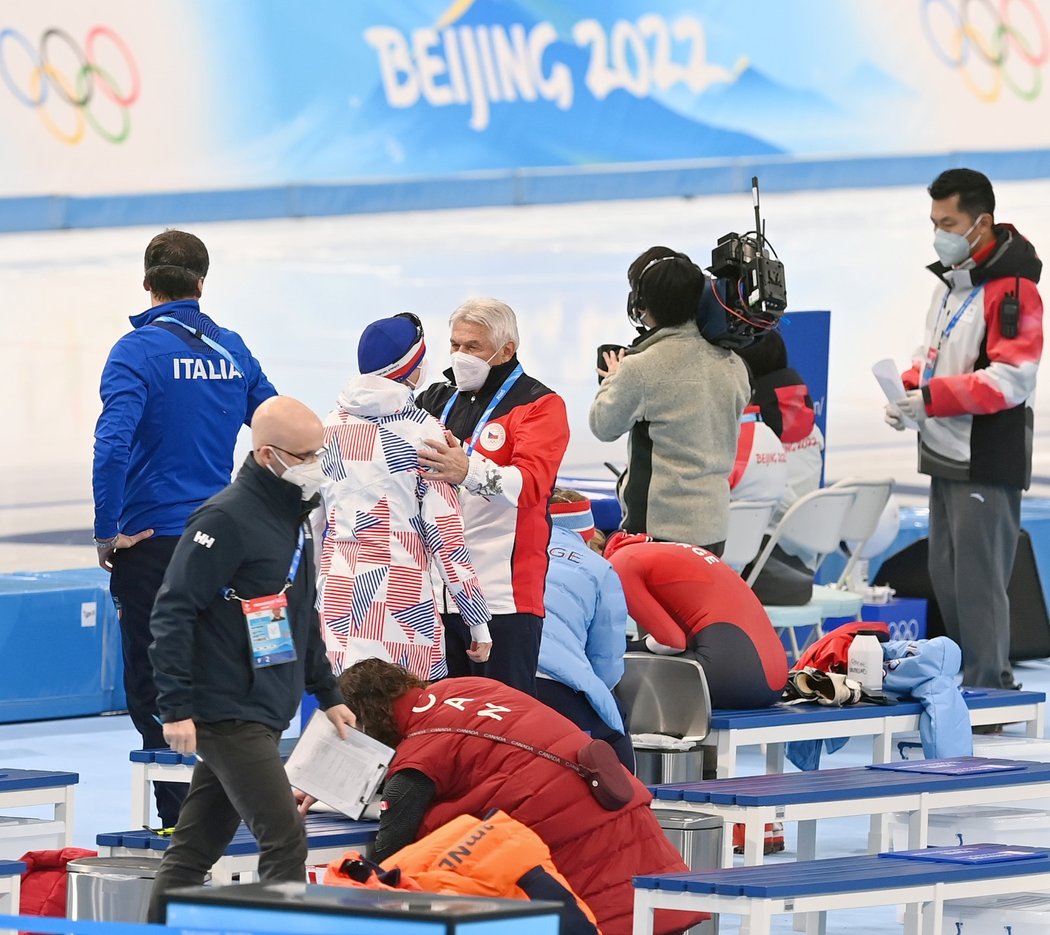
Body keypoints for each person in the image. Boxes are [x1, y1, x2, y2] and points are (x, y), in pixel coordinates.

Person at [146, 396, 356, 922]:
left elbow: (299, 614)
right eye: (305, 454)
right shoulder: (225, 518)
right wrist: (175, 707)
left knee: (194, 852)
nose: (317, 465)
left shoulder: (295, 516)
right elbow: (173, 611)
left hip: (264, 707)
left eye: (320, 452)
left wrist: (328, 694)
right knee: (285, 840)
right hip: (226, 711)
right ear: (267, 455)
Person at [92, 229, 276, 828]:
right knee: (229, 672)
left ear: (147, 282)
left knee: (157, 684)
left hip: (155, 543)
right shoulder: (232, 349)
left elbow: (112, 444)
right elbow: (276, 428)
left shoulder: (135, 351)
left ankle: (182, 820)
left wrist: (105, 530)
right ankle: (244, 812)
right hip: (224, 539)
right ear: (202, 282)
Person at [335, 659, 703, 935]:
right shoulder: (469, 687)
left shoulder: (418, 757)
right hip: (618, 808)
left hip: (574, 838)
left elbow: (389, 856)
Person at [885, 168, 1043, 689]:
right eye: (934, 222)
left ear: (982, 224)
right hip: (944, 447)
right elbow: (931, 354)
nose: (939, 233)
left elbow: (1012, 380)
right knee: (947, 576)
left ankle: (989, 686)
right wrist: (909, 392)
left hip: (985, 453)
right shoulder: (952, 284)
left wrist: (930, 398)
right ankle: (966, 682)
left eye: (948, 222)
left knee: (979, 582)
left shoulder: (1014, 290)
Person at [316, 313, 491, 680]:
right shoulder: (425, 433)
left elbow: (314, 524)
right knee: (405, 721)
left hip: (338, 596)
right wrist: (476, 620)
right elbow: (445, 535)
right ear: (410, 366)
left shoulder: (328, 427)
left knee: (347, 719)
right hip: (401, 600)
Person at [416, 298, 570, 696]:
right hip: (436, 594)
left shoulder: (540, 405)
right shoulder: (434, 399)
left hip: (503, 596)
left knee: (499, 727)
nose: (460, 356)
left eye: (473, 347)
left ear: (506, 350)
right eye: (455, 345)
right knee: (436, 725)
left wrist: (467, 470)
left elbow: (531, 486)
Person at [589, 247, 750, 553]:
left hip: (658, 533)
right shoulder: (733, 364)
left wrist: (613, 377)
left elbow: (602, 425)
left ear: (640, 302)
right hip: (713, 530)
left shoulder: (640, 368)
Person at [604, 531, 788, 709]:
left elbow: (672, 642)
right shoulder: (656, 550)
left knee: (622, 667)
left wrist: (630, 647)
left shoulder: (620, 564)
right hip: (777, 679)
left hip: (735, 676)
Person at [540, 490, 633, 771]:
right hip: (558, 686)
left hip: (488, 682)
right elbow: (607, 662)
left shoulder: (502, 550)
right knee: (615, 734)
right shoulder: (599, 568)